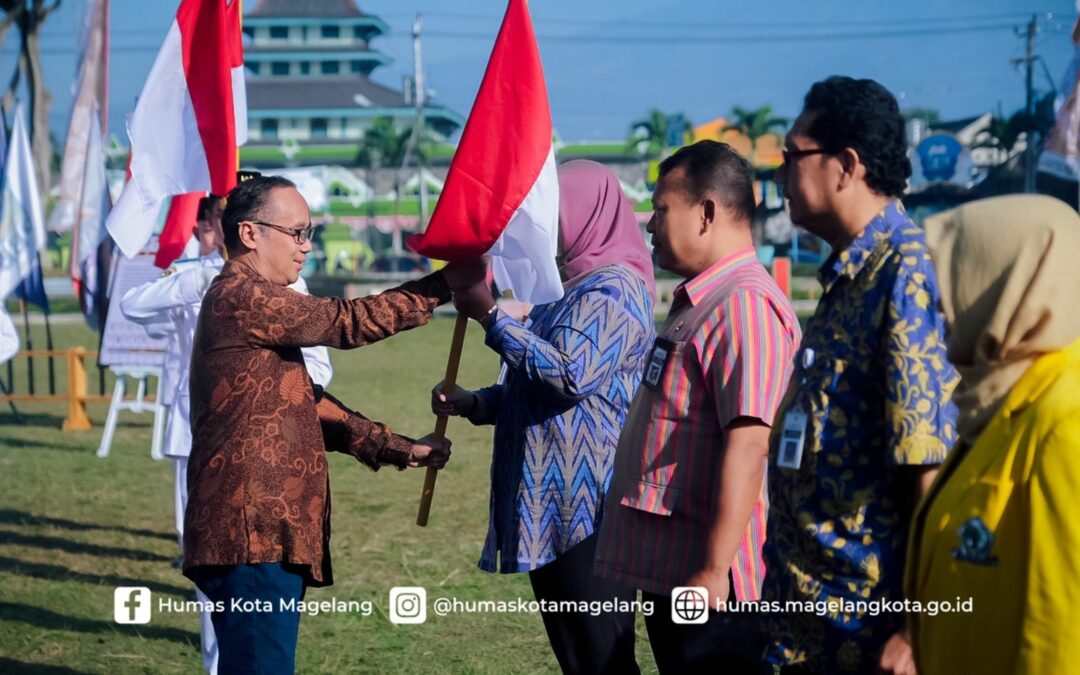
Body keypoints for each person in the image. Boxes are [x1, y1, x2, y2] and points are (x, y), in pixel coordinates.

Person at [182, 175, 486, 674]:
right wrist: (443, 284)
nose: (306, 247)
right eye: (297, 233)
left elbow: (303, 401)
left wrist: (395, 448)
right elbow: (347, 321)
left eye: (310, 232)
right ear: (251, 234)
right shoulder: (242, 296)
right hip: (250, 534)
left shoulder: (249, 301)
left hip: (262, 536)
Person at [760, 76, 958, 675]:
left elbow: (930, 468)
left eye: (792, 156)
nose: (780, 175)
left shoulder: (904, 275)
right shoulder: (849, 276)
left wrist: (916, 627)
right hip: (804, 627)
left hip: (863, 636)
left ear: (845, 166)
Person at [432, 160, 656, 674]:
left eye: (553, 214)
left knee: (603, 659)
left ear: (586, 215)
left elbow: (570, 376)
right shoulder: (568, 291)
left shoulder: (613, 291)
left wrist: (490, 316)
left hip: (587, 511)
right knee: (579, 657)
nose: (543, 227)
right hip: (549, 507)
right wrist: (475, 403)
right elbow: (534, 385)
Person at [593, 141, 801, 674]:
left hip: (716, 589)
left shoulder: (743, 305)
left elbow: (751, 442)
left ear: (705, 213)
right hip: (678, 568)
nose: (650, 224)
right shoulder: (704, 299)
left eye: (662, 210)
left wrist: (713, 570)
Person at [121, 194, 332, 673]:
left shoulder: (280, 283)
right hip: (192, 434)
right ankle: (216, 659)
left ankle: (225, 663)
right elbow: (134, 307)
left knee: (243, 566)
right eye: (213, 220)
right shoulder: (193, 274)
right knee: (205, 560)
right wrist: (205, 277)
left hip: (257, 444)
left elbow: (319, 363)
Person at [909, 195, 1080, 675]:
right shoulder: (993, 401)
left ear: (999, 284)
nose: (934, 306)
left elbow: (1059, 634)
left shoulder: (1065, 422)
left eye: (951, 281)